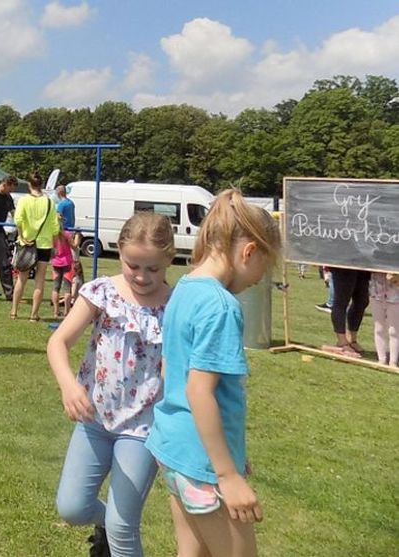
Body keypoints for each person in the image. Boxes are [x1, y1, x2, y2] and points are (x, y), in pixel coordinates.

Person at [145, 189, 281, 557]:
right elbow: (199, 392)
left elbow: (169, 368)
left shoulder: (184, 289)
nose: (257, 280)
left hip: (173, 450)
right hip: (202, 465)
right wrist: (228, 475)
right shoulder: (221, 306)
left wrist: (232, 452)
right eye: (262, 270)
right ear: (249, 251)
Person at [46, 212, 175, 557]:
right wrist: (69, 386)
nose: (142, 276)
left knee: (123, 526)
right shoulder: (102, 292)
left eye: (153, 269)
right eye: (134, 265)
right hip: (94, 420)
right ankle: (106, 526)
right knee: (71, 508)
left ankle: (115, 532)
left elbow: (179, 369)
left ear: (169, 260)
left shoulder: (174, 306)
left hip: (143, 429)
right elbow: (57, 343)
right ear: (119, 252)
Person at [11, 171, 60, 321]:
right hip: (44, 244)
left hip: (27, 243)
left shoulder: (24, 200)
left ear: (28, 184)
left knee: (21, 278)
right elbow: (55, 226)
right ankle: (34, 315)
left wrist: (21, 236)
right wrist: (55, 244)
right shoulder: (50, 202)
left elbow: (18, 220)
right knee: (40, 280)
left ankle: (14, 311)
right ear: (42, 185)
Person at [327, 267, 372, 357]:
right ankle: (342, 342)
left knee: (362, 301)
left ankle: (352, 339)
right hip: (344, 262)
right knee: (341, 301)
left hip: (362, 264)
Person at [369, 272, 399, 366]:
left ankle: (393, 361)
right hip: (377, 293)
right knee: (379, 328)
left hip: (395, 296)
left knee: (394, 330)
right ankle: (381, 359)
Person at [49, 226, 74, 318]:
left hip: (56, 262)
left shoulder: (52, 234)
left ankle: (56, 311)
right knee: (67, 288)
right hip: (67, 262)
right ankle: (66, 311)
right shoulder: (67, 234)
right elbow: (74, 246)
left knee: (56, 288)